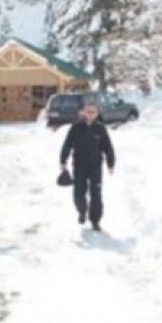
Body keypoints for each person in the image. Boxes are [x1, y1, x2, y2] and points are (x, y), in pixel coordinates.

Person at [59, 99, 116, 232]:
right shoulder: (76, 127)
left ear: (96, 113)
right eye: (88, 111)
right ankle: (82, 211)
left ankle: (95, 220)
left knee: (96, 194)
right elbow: (67, 144)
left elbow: (108, 147)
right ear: (84, 112)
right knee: (79, 193)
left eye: (93, 112)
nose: (90, 114)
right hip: (79, 166)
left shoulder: (100, 129)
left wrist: (110, 163)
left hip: (96, 166)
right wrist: (63, 160)